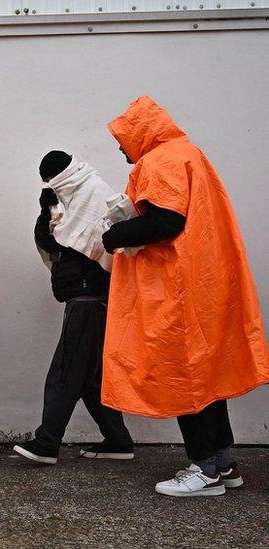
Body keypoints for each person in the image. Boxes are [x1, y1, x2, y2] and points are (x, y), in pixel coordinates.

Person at [102, 96, 269, 496]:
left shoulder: (160, 160)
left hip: (175, 289)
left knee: (186, 379)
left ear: (139, 133)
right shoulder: (189, 154)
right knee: (207, 379)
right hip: (203, 283)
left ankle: (204, 469)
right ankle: (225, 464)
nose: (120, 149)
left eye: (122, 141)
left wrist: (114, 235)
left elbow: (166, 220)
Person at [12, 150, 134, 465]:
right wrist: (48, 209)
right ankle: (119, 441)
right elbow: (50, 239)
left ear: (60, 176)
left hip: (88, 297)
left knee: (65, 371)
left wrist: (53, 212)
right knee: (90, 376)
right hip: (87, 298)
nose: (48, 184)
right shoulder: (69, 199)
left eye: (49, 179)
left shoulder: (92, 195)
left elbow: (72, 244)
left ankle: (47, 442)